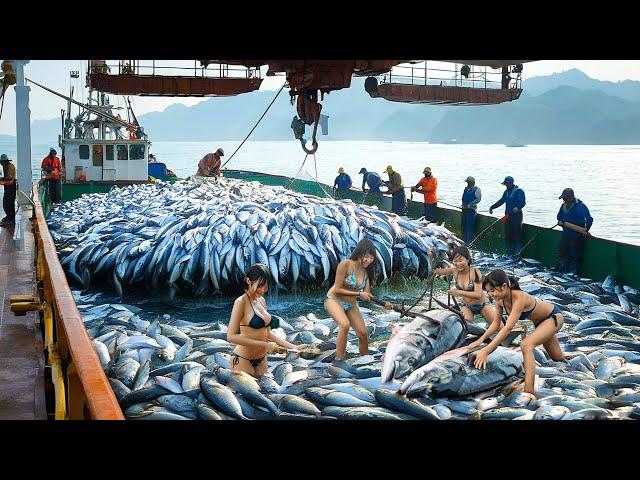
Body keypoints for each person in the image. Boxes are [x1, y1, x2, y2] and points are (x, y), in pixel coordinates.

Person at [470, 269, 565, 395]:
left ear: (504, 286)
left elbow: (508, 328)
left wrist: (486, 351)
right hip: (540, 323)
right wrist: (480, 340)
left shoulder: (519, 298)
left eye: (492, 290)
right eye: (488, 292)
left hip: (553, 318)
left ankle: (529, 392)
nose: (490, 294)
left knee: (526, 345)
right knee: (558, 358)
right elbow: (495, 324)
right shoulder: (500, 301)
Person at [227, 264, 307, 377]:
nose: (263, 290)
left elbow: (268, 332)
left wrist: (292, 347)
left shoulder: (262, 301)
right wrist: (265, 345)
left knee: (268, 393)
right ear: (248, 280)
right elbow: (231, 336)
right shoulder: (241, 302)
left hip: (261, 359)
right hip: (242, 360)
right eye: (260, 285)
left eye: (265, 286)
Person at [324, 239, 392, 361]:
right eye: (366, 257)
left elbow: (368, 295)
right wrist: (359, 293)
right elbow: (338, 289)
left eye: (371, 258)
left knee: (363, 333)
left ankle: (365, 360)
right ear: (359, 253)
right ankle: (339, 360)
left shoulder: (366, 273)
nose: (369, 260)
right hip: (334, 300)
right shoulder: (346, 264)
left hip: (350, 305)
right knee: (344, 325)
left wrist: (383, 304)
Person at [432, 245, 494, 325]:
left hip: (482, 304)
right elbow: (435, 271)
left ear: (468, 260)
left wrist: (458, 292)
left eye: (460, 261)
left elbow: (478, 294)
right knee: (465, 325)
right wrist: (431, 256)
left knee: (499, 328)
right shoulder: (454, 270)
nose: (458, 264)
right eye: (455, 261)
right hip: (466, 306)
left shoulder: (475, 272)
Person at [556, 188, 593, 276]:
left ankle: (574, 273)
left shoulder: (580, 206)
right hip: (566, 234)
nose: (563, 200)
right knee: (562, 252)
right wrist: (562, 222)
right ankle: (562, 271)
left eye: (565, 198)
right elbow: (559, 216)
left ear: (571, 198)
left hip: (577, 236)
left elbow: (589, 219)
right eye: (563, 198)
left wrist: (586, 230)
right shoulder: (563, 205)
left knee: (575, 255)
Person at [489, 176, 526, 256]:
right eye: (505, 184)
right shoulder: (506, 192)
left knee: (517, 236)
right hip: (508, 217)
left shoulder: (519, 191)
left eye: (507, 184)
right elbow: (501, 201)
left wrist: (518, 207)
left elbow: (523, 202)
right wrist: (492, 207)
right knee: (508, 236)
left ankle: (517, 254)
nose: (506, 185)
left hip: (516, 217)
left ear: (511, 183)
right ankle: (508, 254)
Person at [460, 176, 482, 244]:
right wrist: (462, 205)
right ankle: (464, 242)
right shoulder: (465, 189)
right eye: (467, 182)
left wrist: (469, 205)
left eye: (468, 182)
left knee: (469, 228)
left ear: (472, 183)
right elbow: (463, 199)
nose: (467, 184)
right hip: (464, 211)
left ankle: (469, 243)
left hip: (471, 211)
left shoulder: (477, 189)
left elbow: (478, 199)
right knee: (464, 227)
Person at [0, 154, 17, 226]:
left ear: (5, 161)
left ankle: (11, 219)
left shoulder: (10, 167)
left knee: (9, 204)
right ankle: (8, 217)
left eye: (1, 162)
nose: (1, 164)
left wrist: (2, 182)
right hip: (7, 188)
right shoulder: (5, 166)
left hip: (11, 188)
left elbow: (11, 181)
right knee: (5, 204)